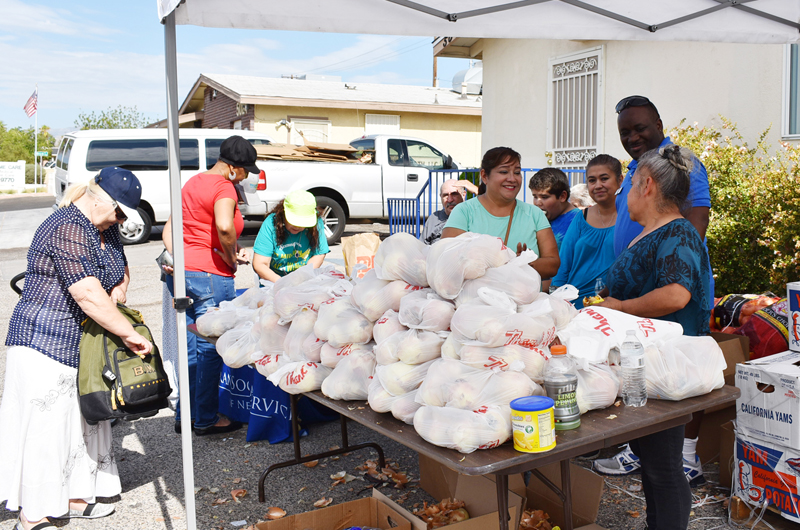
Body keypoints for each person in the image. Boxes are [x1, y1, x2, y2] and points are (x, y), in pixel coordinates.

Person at [0, 167, 153, 530]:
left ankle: (75, 496)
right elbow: (86, 293)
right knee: (47, 428)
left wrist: (119, 289)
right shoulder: (66, 226)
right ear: (101, 199)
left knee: (82, 421)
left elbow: (121, 268)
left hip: (82, 345)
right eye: (118, 212)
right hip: (42, 340)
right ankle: (33, 512)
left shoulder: (106, 227)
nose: (120, 221)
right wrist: (128, 333)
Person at [594, 95, 714, 486]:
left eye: (640, 127)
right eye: (625, 132)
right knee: (651, 370)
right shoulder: (636, 167)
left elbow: (689, 228)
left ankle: (685, 455)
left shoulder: (678, 163)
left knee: (682, 370)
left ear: (659, 122)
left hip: (667, 288)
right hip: (645, 291)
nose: (632, 137)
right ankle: (645, 446)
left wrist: (659, 272)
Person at [162, 135, 255, 436]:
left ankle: (184, 417)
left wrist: (183, 256)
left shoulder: (193, 183)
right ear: (233, 167)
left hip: (182, 273)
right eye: (245, 171)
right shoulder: (223, 187)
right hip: (210, 274)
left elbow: (174, 227)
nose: (247, 176)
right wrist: (230, 258)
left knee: (189, 349)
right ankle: (205, 417)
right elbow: (224, 226)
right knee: (210, 348)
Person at [441, 147, 560, 279]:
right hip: (474, 298)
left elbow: (553, 263)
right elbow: (445, 261)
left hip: (524, 298)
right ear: (485, 176)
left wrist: (527, 263)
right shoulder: (464, 211)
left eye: (517, 172)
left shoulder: (534, 214)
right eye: (504, 171)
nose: (512, 178)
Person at [550, 155, 622, 309]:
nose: (598, 185)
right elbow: (564, 263)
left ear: (620, 180)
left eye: (604, 179)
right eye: (592, 180)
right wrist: (556, 302)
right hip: (575, 304)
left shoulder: (630, 218)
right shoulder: (581, 217)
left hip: (612, 306)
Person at [253, 190, 330, 283]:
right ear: (283, 213)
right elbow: (260, 263)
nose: (298, 226)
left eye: (304, 223)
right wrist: (282, 283)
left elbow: (319, 254)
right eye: (294, 221)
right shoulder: (271, 223)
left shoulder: (317, 222)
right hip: (274, 282)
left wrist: (302, 278)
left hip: (303, 282)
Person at [528, 167, 580, 249]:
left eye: (544, 197)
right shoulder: (538, 219)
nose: (537, 203)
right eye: (535, 196)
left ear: (562, 196)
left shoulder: (579, 221)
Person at [420, 178, 479, 245]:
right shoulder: (434, 218)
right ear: (441, 197)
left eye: (454, 194)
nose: (450, 200)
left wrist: (477, 191)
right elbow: (421, 247)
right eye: (445, 195)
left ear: (463, 194)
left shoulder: (473, 216)